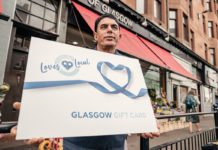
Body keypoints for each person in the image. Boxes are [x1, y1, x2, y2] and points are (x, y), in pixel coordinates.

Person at [0, 14, 160, 149]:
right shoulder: (78, 61)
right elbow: (58, 97)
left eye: (114, 27)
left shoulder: (130, 68)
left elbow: (137, 103)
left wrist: (146, 119)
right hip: (76, 145)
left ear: (119, 36)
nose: (109, 30)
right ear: (96, 36)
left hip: (115, 145)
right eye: (104, 27)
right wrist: (35, 118)